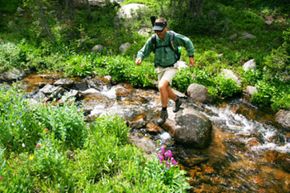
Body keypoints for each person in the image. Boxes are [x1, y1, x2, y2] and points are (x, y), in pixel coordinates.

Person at [135, 17, 195, 125]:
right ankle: (177, 100)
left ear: (165, 28)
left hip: (172, 66)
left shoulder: (173, 37)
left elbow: (187, 41)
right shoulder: (153, 39)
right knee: (165, 89)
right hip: (160, 68)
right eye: (156, 30)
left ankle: (164, 113)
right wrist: (140, 57)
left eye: (160, 30)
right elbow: (143, 50)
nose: (158, 33)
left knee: (162, 86)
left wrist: (191, 56)